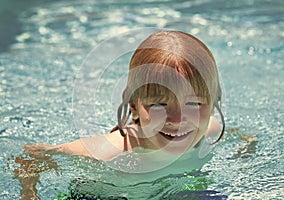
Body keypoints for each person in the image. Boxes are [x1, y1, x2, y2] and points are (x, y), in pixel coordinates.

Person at [15, 30, 225, 199]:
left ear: (213, 104)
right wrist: (29, 194)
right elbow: (33, 155)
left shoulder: (209, 129)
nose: (178, 121)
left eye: (194, 103)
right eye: (159, 104)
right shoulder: (109, 151)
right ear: (134, 106)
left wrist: (246, 145)